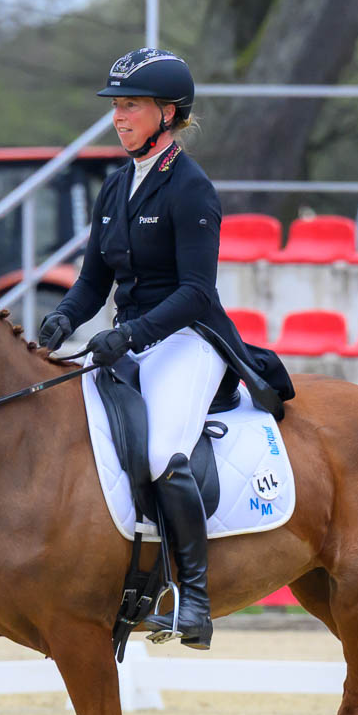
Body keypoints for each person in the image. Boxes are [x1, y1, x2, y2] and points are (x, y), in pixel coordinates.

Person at [38, 47, 295, 650]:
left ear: (168, 113)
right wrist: (64, 317)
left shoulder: (191, 188)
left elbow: (196, 293)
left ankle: (194, 600)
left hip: (187, 340)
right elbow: (93, 282)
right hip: (130, 340)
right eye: (117, 106)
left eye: (131, 105)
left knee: (161, 453)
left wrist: (130, 334)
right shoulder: (115, 187)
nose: (118, 117)